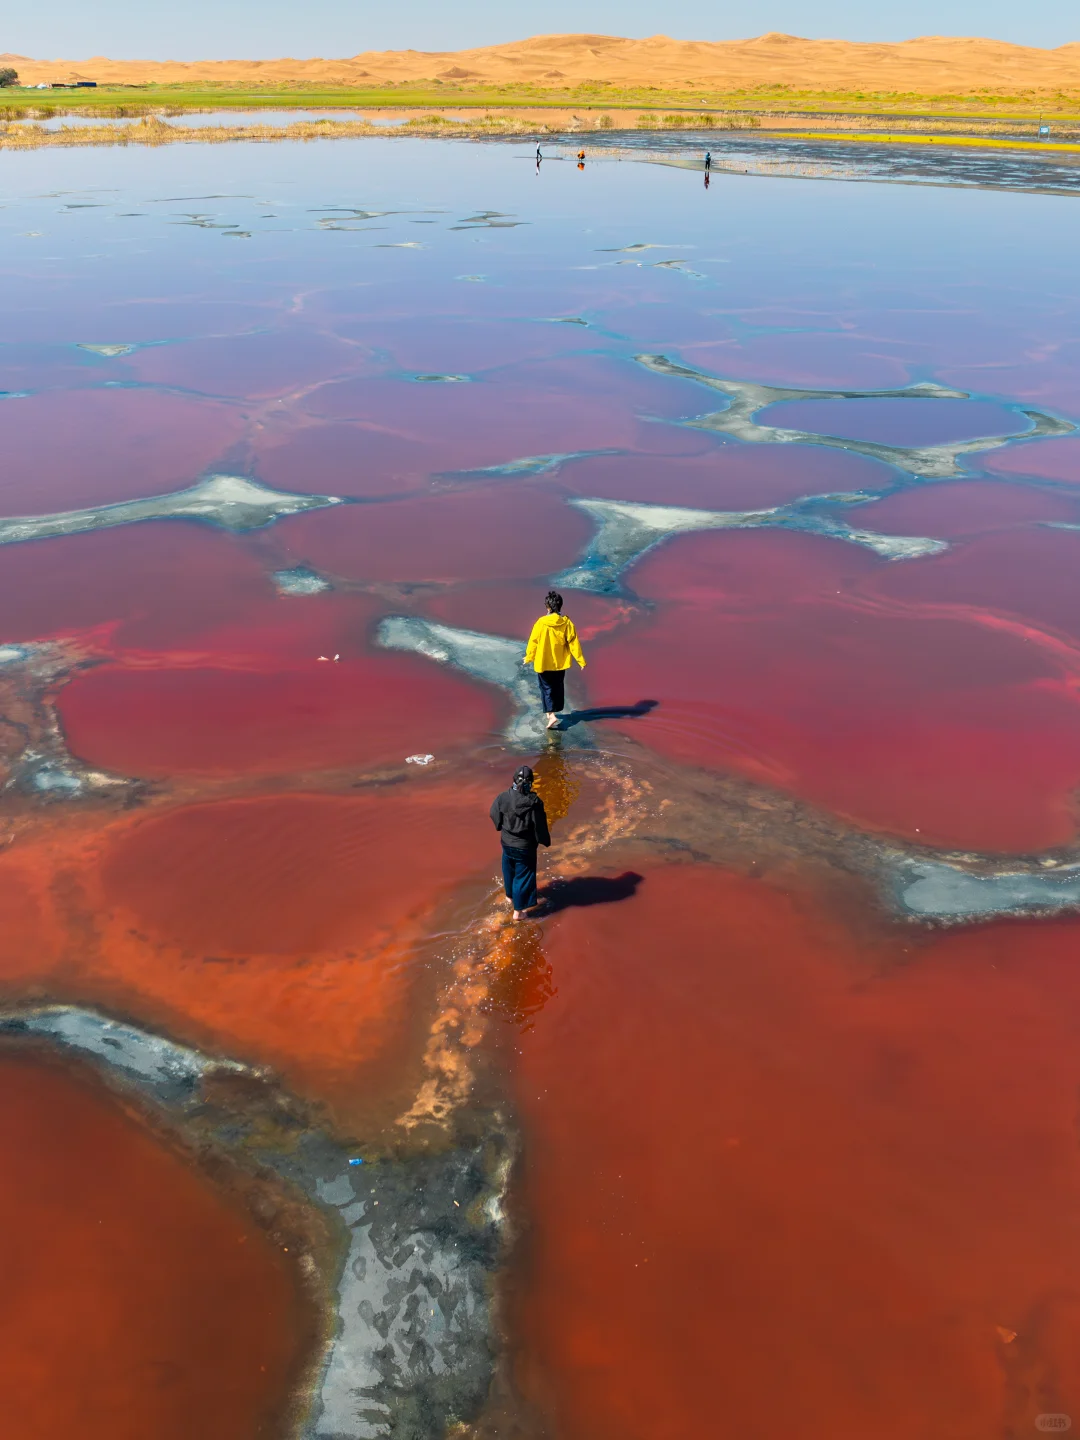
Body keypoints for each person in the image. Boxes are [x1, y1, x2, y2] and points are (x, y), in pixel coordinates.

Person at [490, 765, 551, 920]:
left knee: (509, 869)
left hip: (506, 843)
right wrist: (544, 840)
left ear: (514, 780)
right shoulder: (535, 802)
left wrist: (500, 826)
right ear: (531, 782)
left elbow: (494, 813)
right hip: (525, 847)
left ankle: (509, 896)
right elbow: (540, 825)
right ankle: (519, 912)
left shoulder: (503, 797)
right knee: (523, 876)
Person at [523, 589, 586, 730]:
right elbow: (573, 643)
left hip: (543, 663)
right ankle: (553, 712)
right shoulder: (567, 623)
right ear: (560, 606)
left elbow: (533, 641)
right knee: (557, 687)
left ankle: (551, 715)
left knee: (546, 688)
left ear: (547, 607)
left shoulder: (541, 622)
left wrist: (529, 657)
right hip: (560, 664)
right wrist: (580, 660)